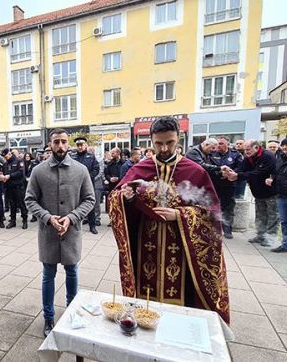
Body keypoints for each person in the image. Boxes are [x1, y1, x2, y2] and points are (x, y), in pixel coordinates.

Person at [109, 117, 230, 323]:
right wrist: (125, 197)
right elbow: (115, 198)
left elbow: (211, 212)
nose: (164, 148)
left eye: (170, 142)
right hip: (146, 242)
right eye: (158, 143)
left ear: (178, 139)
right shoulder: (141, 168)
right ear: (151, 141)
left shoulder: (195, 171)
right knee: (146, 295)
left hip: (182, 244)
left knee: (183, 294)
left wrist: (180, 215)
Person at [25, 128, 96, 337]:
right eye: (56, 142)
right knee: (48, 275)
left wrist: (72, 217)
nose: (60, 146)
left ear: (69, 144)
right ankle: (48, 318)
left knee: (72, 271)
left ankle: (72, 312)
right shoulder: (38, 171)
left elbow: (90, 200)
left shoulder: (81, 170)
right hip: (48, 234)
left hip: (72, 232)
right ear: (50, 144)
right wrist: (47, 217)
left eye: (64, 141)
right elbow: (29, 199)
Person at [224, 140, 277, 246]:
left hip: (270, 192)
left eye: (248, 149)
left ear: (256, 147)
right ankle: (260, 235)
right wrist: (233, 174)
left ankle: (270, 238)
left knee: (272, 216)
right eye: (245, 150)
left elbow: (259, 173)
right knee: (260, 215)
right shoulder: (248, 157)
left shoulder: (268, 156)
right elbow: (242, 169)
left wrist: (238, 176)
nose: (246, 152)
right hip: (257, 192)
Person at [209, 137, 243, 239]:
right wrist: (219, 173)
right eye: (217, 144)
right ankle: (214, 229)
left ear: (227, 144)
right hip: (215, 184)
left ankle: (227, 230)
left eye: (221, 144)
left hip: (229, 185)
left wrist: (230, 173)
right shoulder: (212, 154)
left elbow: (240, 167)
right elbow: (208, 167)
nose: (218, 146)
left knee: (228, 208)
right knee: (213, 207)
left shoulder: (235, 154)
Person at [70, 137, 100, 234]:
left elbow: (96, 169)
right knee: (75, 205)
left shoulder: (91, 157)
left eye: (81, 145)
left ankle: (92, 226)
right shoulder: (72, 157)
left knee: (90, 205)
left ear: (85, 145)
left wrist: (87, 177)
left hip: (88, 185)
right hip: (75, 185)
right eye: (78, 145)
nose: (80, 147)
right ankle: (74, 224)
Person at [2, 148, 29, 229]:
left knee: (21, 204)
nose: (6, 159)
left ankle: (24, 220)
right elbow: (4, 173)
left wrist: (10, 176)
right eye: (5, 158)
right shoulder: (5, 164)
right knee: (12, 205)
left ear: (10, 154)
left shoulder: (19, 161)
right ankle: (13, 221)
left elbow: (21, 173)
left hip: (18, 187)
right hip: (10, 187)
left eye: (6, 157)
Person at [103, 147, 123, 226]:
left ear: (118, 153)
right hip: (112, 186)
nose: (111, 155)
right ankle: (112, 220)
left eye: (113, 153)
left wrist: (118, 178)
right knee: (112, 203)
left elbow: (125, 174)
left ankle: (120, 220)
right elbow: (106, 174)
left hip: (121, 186)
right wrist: (110, 178)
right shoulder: (110, 163)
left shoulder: (123, 163)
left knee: (120, 203)